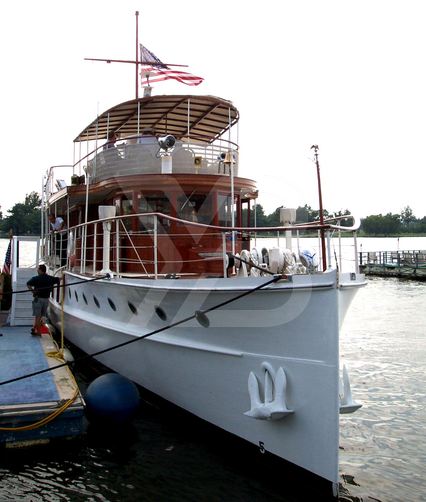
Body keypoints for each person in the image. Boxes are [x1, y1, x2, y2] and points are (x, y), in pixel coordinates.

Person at [27, 264, 60, 335]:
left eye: (38, 269)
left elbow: (28, 284)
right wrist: (63, 277)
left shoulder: (36, 278)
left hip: (38, 299)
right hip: (46, 300)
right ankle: (34, 328)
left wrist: (33, 291)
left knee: (37, 316)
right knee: (41, 316)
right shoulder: (49, 278)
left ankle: (38, 332)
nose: (37, 270)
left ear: (41, 270)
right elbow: (58, 279)